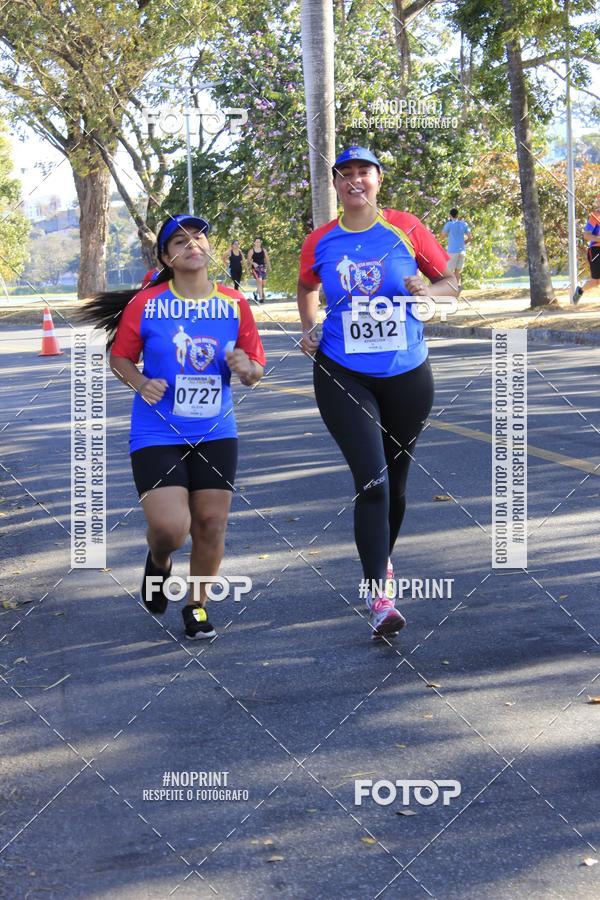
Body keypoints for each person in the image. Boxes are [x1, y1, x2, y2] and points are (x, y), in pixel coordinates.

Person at [297, 146, 459, 641]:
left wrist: (428, 292)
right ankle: (379, 596)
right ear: (336, 186)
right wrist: (310, 328)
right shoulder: (320, 241)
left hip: (408, 372)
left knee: (398, 485)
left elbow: (451, 283)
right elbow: (305, 288)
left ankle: (381, 562)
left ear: (377, 180)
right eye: (344, 175)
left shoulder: (407, 228)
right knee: (373, 482)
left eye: (362, 172)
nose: (354, 181)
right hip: (343, 372)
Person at [81, 214, 266, 639]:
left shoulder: (234, 304)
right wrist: (141, 382)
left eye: (199, 237)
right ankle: (159, 560)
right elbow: (120, 358)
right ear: (166, 257)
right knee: (170, 528)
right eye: (180, 241)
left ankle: (196, 606)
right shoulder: (147, 305)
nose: (192, 244)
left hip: (216, 430)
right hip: (157, 430)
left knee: (210, 524)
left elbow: (256, 369)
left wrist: (245, 368)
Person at [572, 202, 600, 304]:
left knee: (597, 282)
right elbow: (586, 236)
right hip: (596, 251)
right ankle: (580, 291)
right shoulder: (595, 217)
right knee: (595, 281)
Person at [440, 208, 471, 287]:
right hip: (462, 250)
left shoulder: (449, 224)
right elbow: (470, 237)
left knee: (449, 271)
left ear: (450, 215)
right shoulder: (464, 224)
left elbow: (442, 236)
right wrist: (464, 243)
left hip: (452, 251)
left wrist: (448, 235)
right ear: (458, 215)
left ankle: (448, 288)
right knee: (457, 271)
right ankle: (457, 287)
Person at [247, 237, 271, 303]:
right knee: (259, 281)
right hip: (255, 268)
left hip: (263, 268)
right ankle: (261, 298)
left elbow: (267, 259)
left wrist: (269, 267)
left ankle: (255, 292)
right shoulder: (251, 250)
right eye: (257, 242)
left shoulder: (263, 250)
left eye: (259, 242)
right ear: (254, 243)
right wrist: (253, 263)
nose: (258, 243)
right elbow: (248, 260)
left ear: (261, 243)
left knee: (264, 283)